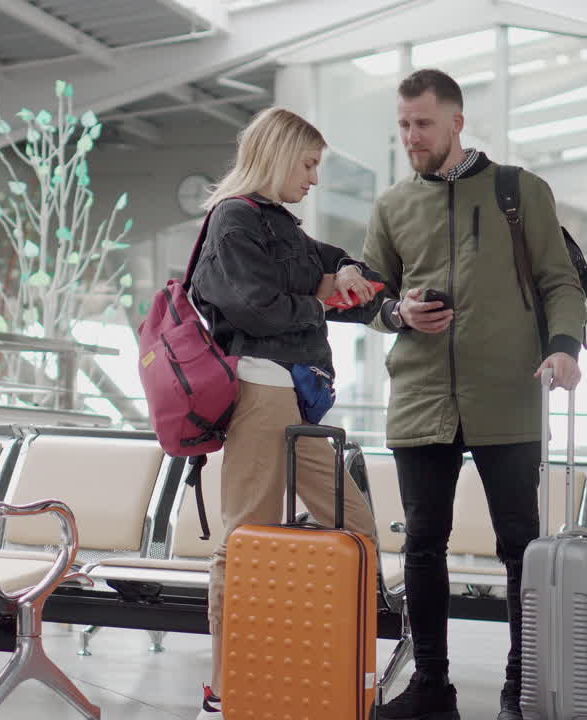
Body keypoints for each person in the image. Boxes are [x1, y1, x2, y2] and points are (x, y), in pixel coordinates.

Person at [363, 69, 586, 720]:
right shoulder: (391, 206)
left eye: (423, 124)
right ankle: (432, 689)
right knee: (422, 544)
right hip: (421, 395)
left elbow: (561, 283)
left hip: (508, 396)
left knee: (520, 545)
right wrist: (399, 314)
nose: (411, 137)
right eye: (403, 124)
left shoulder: (520, 192)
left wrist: (564, 347)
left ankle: (521, 688)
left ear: (456, 122)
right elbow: (368, 299)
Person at [188, 106, 384, 720]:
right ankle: (226, 688)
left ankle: (306, 665)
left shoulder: (283, 229)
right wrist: (326, 292)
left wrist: (358, 282)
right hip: (259, 391)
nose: (314, 178)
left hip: (298, 402)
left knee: (357, 530)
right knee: (244, 540)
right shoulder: (233, 222)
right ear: (276, 156)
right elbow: (259, 308)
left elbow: (349, 277)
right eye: (307, 163)